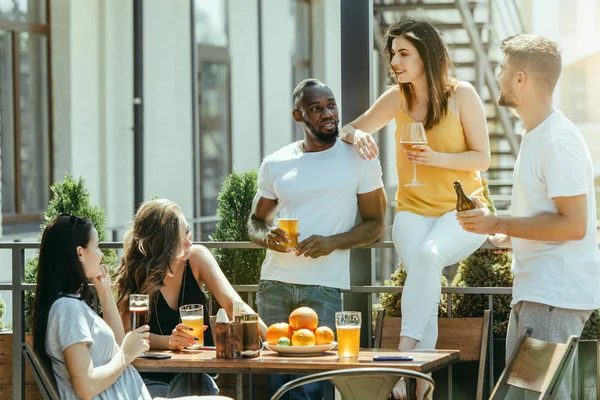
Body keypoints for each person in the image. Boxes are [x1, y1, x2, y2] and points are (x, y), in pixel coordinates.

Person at [340, 17, 491, 400]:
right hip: (411, 209)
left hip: (462, 210)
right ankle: (420, 384)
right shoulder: (396, 98)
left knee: (428, 256)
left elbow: (483, 158)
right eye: (392, 54)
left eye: (403, 53)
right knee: (424, 269)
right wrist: (358, 136)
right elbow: (350, 128)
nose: (395, 61)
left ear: (427, 54)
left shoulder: (462, 95)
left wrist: (436, 157)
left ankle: (404, 357)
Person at [456, 34, 600, 400]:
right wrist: (508, 237)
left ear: (521, 78)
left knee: (541, 398)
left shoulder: (556, 140)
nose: (498, 76)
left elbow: (574, 225)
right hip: (539, 293)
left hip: (555, 295)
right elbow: (548, 218)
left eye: (503, 69)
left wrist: (499, 222)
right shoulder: (535, 135)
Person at [248, 78, 387, 399]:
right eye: (316, 108)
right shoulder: (276, 163)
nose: (328, 114)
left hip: (325, 287)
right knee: (277, 384)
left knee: (314, 385)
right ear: (299, 116)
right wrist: (268, 237)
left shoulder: (359, 157)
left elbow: (376, 224)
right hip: (274, 285)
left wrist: (332, 241)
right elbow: (255, 222)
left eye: (331, 105)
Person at [113, 199, 267, 398]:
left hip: (195, 375)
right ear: (164, 243)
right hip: (150, 378)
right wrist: (170, 341)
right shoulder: (138, 273)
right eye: (182, 236)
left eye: (188, 231)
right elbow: (129, 335)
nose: (190, 241)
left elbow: (233, 304)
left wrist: (272, 337)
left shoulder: (196, 258)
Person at [31, 214, 153, 399]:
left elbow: (118, 345)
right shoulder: (67, 310)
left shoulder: (70, 304)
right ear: (80, 253)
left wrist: (104, 292)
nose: (101, 254)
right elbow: (85, 386)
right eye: (97, 246)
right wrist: (125, 356)